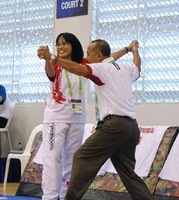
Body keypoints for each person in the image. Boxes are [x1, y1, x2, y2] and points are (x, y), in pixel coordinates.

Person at [38, 40, 155, 200]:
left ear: (99, 56)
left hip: (113, 126)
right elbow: (137, 66)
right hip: (131, 127)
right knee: (128, 173)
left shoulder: (101, 68)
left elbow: (78, 69)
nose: (86, 57)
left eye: (88, 54)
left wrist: (52, 57)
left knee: (80, 157)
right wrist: (132, 50)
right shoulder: (124, 68)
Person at [37, 32, 88, 200]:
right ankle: (50, 197)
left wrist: (126, 49)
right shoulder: (55, 64)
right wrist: (47, 59)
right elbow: (50, 73)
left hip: (77, 119)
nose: (60, 46)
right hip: (55, 119)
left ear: (73, 45)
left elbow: (107, 59)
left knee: (72, 161)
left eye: (65, 43)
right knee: (52, 159)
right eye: (58, 43)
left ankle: (67, 195)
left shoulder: (83, 64)